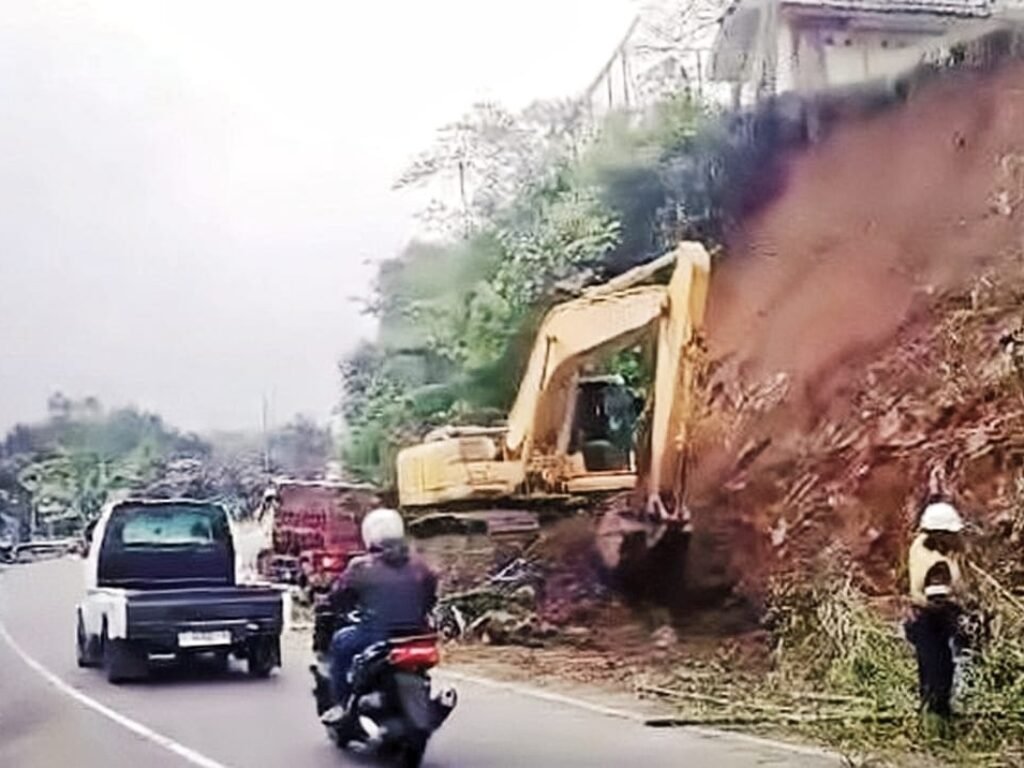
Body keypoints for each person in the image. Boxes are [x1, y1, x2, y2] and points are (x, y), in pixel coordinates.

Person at [320, 508, 437, 724]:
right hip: (417, 637)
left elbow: (338, 597)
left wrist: (333, 605)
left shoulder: (362, 566)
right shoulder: (420, 565)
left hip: (376, 634)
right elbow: (430, 598)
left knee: (339, 643)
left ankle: (341, 703)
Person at [905, 500, 968, 718]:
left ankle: (943, 713)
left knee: (948, 668)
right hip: (927, 618)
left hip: (946, 616)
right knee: (932, 668)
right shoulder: (923, 550)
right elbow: (917, 594)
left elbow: (960, 583)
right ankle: (932, 717)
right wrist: (941, 603)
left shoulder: (952, 547)